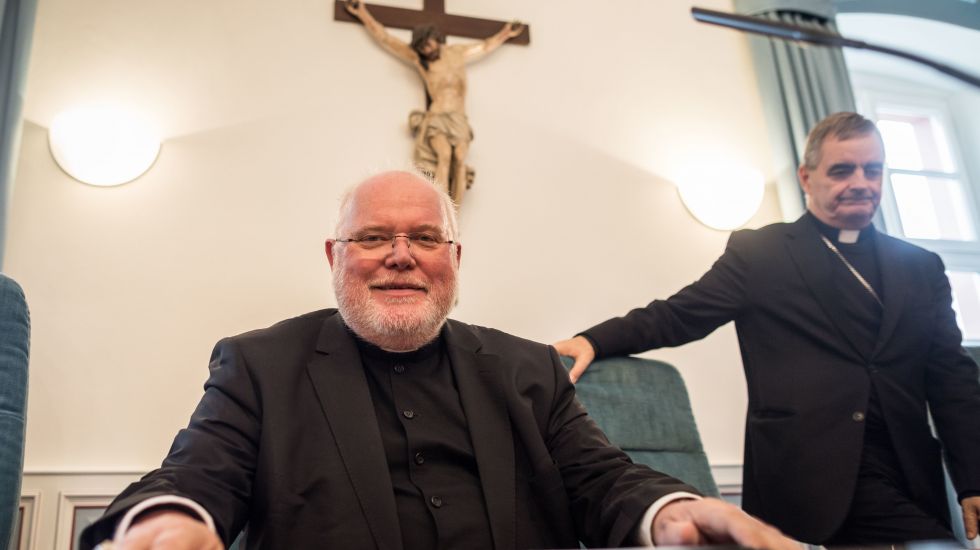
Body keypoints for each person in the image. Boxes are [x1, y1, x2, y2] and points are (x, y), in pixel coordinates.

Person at [80, 170, 799, 550]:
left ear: (454, 258)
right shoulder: (260, 365)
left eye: (426, 237)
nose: (401, 255)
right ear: (334, 257)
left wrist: (672, 515)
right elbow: (196, 474)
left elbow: (603, 480)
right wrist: (164, 522)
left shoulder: (528, 370)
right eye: (373, 237)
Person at [554, 112, 980, 545]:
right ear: (806, 177)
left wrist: (973, 480)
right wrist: (594, 339)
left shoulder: (921, 267)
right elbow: (679, 314)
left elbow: (952, 378)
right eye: (841, 170)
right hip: (808, 473)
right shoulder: (762, 252)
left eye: (872, 170)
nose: (860, 182)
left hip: (910, 473)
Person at [344, 0, 523, 206]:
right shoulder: (421, 60)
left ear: (435, 38)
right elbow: (387, 39)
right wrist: (363, 14)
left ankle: (454, 215)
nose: (427, 50)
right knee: (444, 156)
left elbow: (484, 46)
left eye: (428, 44)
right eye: (422, 48)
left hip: (458, 119)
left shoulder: (456, 53)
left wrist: (506, 33)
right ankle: (441, 209)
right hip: (437, 117)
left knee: (460, 159)